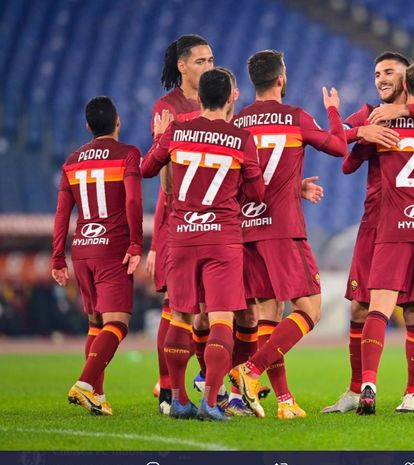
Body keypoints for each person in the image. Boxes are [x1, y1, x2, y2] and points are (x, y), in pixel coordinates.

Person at [323, 51, 414, 414]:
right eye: (376, 73)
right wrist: (362, 132)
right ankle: (357, 390)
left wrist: (403, 113)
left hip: (401, 223)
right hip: (376, 224)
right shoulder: (371, 113)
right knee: (359, 306)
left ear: (406, 80)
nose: (381, 79)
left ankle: (410, 392)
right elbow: (340, 149)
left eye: (389, 72)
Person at [228, 49, 347, 419]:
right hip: (283, 230)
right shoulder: (295, 117)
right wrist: (332, 110)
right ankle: (249, 371)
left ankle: (284, 401)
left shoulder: (238, 123)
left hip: (247, 229)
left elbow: (242, 180)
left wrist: (295, 188)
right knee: (309, 310)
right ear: (281, 79)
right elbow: (339, 146)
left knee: (268, 314)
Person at [141, 67, 264, 420]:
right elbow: (256, 192)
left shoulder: (177, 130)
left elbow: (147, 169)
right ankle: (211, 400)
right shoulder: (241, 138)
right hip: (222, 238)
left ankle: (179, 399)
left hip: (181, 236)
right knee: (221, 318)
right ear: (229, 98)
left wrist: (162, 137)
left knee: (180, 316)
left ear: (198, 98)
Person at [51, 96, 143, 415]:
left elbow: (63, 213)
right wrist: (135, 244)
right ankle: (85, 383)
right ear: (117, 122)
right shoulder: (128, 154)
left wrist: (57, 258)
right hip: (112, 247)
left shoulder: (72, 160)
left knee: (96, 323)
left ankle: (98, 397)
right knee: (118, 323)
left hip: (82, 248)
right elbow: (132, 202)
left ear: (88, 126)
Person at [149, 34, 214, 414]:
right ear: (182, 66)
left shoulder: (215, 102)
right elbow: (165, 179)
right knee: (177, 309)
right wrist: (159, 242)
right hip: (178, 219)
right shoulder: (168, 108)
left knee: (208, 310)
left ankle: (207, 379)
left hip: (213, 218)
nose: (208, 66)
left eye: (211, 60)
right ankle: (168, 388)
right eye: (201, 61)